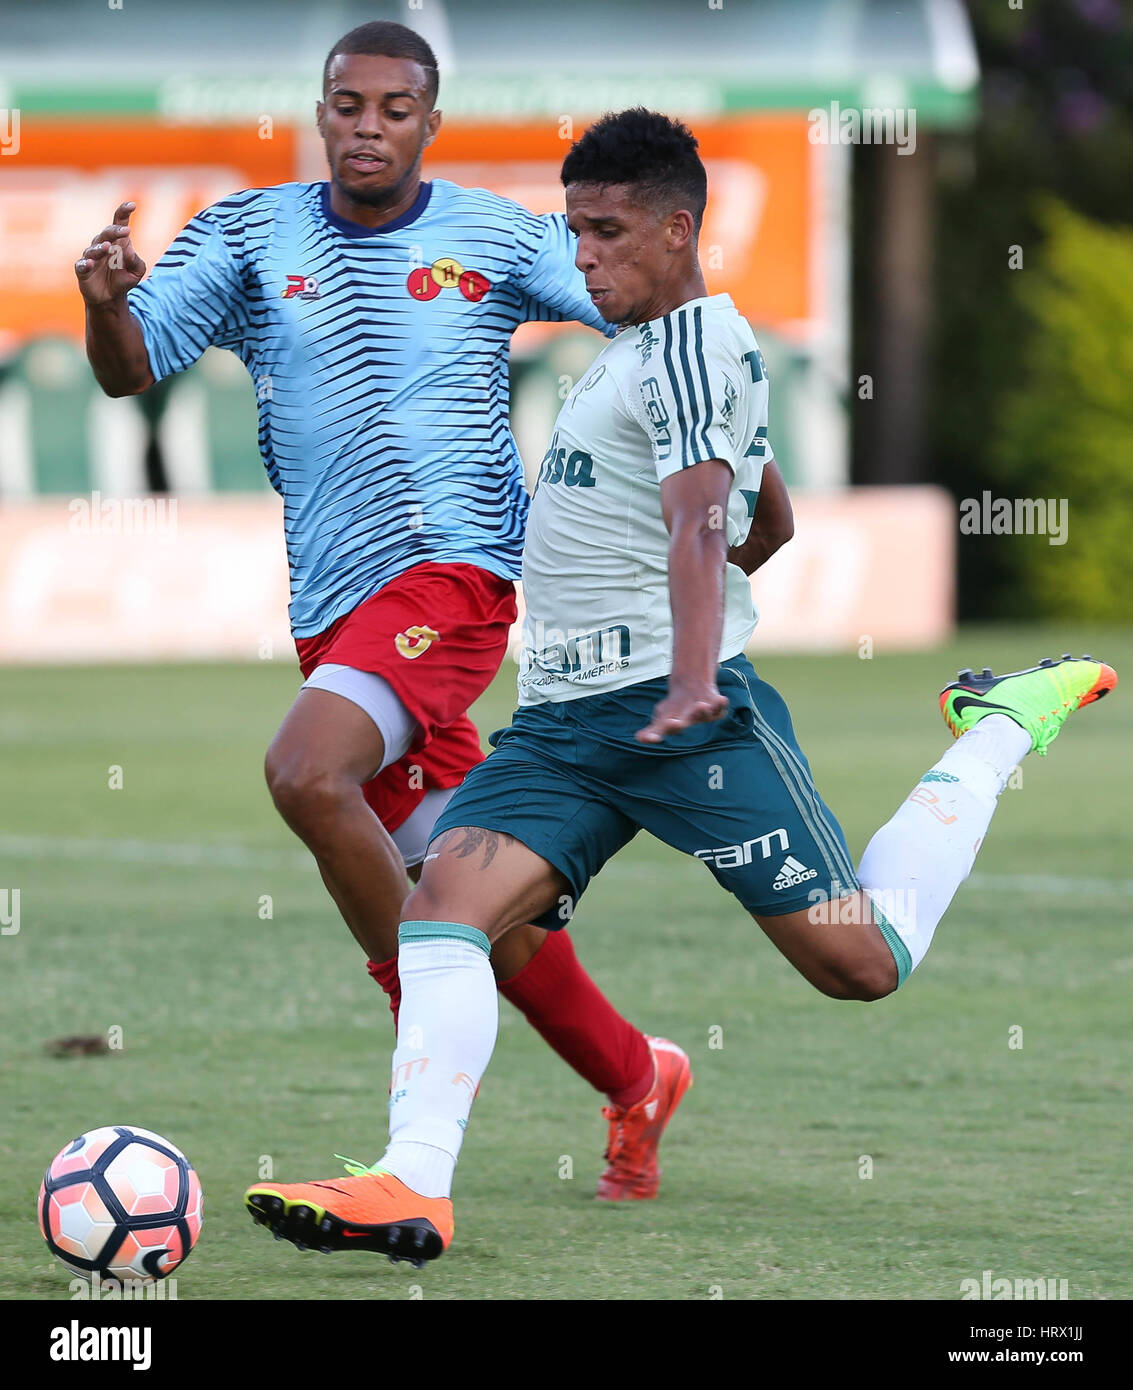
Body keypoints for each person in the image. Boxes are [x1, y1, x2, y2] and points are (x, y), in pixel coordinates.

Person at [243, 107, 1117, 1268]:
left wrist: (694, 669)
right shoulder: (633, 348)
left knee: (857, 965)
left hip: (679, 721)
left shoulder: (702, 342)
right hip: (559, 730)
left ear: (677, 227)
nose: (584, 256)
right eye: (572, 231)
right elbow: (766, 513)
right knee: (442, 915)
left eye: (605, 233)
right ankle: (412, 1186)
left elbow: (706, 522)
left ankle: (1002, 724)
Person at [74, 26, 755, 1201]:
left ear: (429, 123)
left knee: (303, 771)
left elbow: (645, 301)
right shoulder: (244, 235)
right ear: (320, 111)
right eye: (347, 104)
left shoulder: (492, 237)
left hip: (456, 577)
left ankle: (419, 1049)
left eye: (395, 107)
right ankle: (637, 1072)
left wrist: (734, 467)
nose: (367, 125)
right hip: (334, 609)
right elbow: (131, 367)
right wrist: (100, 304)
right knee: (461, 884)